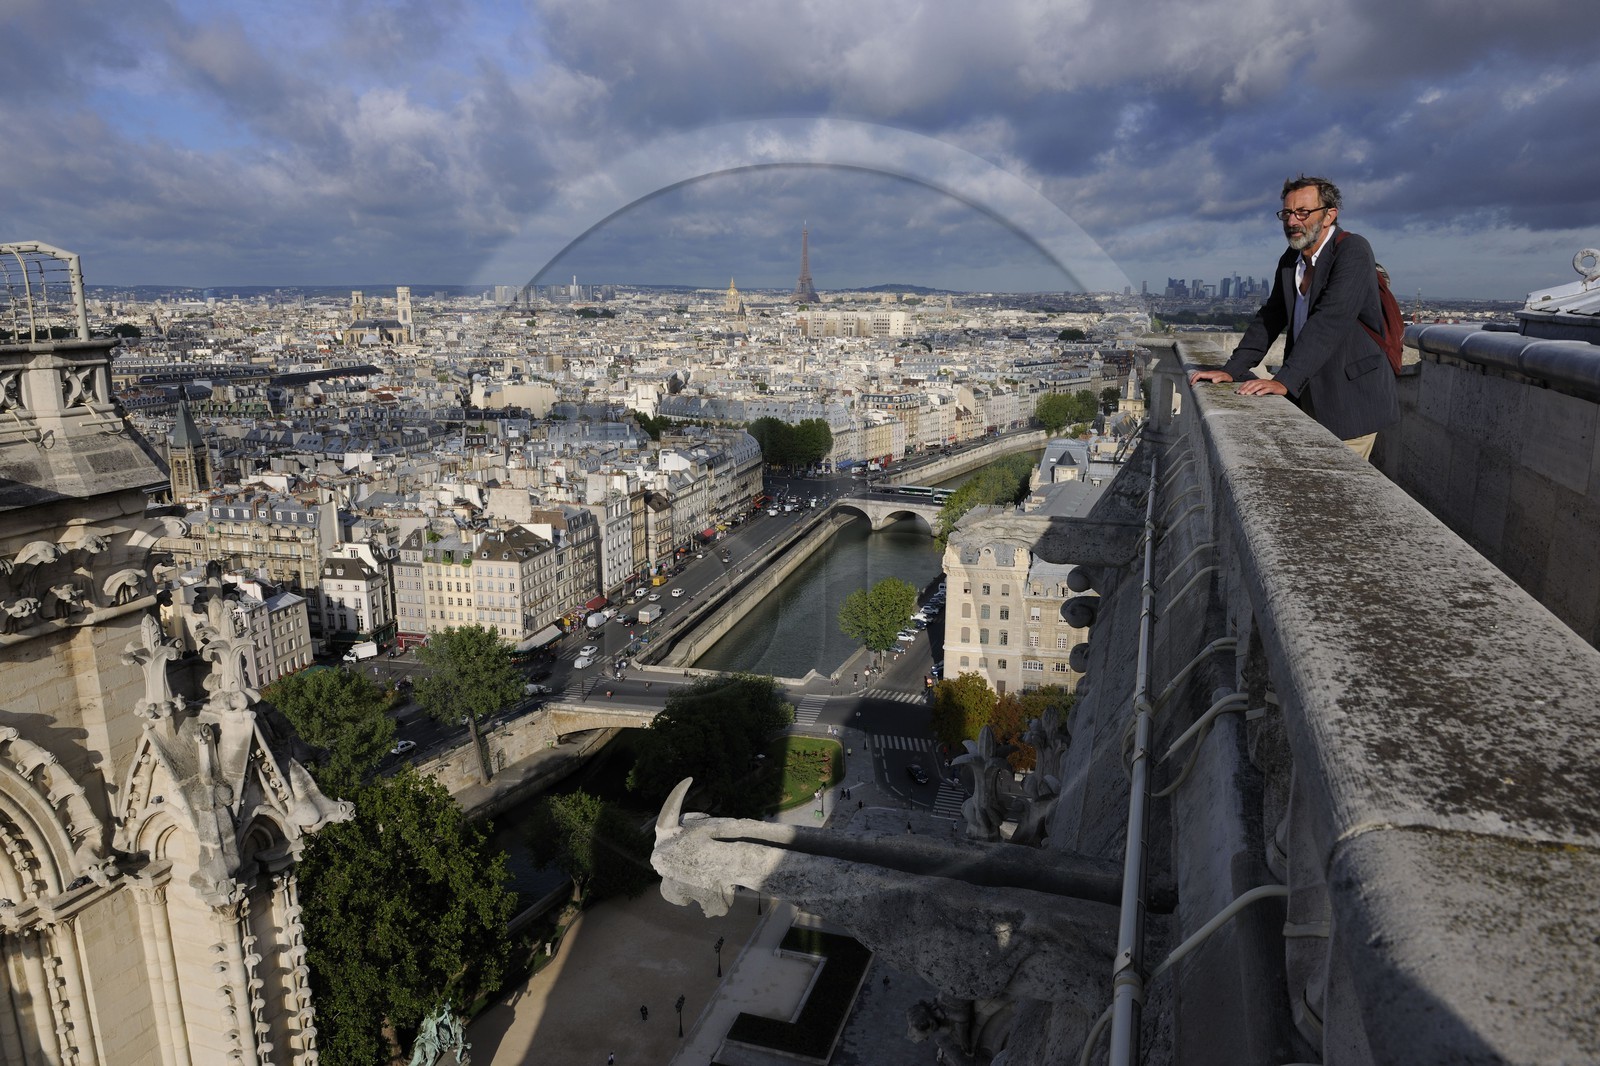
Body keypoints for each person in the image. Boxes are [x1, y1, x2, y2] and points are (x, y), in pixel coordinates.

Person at [1188, 175, 1398, 461]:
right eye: (1286, 213)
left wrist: (1285, 380)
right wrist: (1232, 369)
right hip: (1308, 397)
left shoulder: (1353, 250)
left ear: (1329, 215)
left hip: (1349, 400)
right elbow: (1271, 317)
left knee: (1331, 491)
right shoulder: (1291, 259)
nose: (1292, 221)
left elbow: (1329, 321)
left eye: (1303, 212)